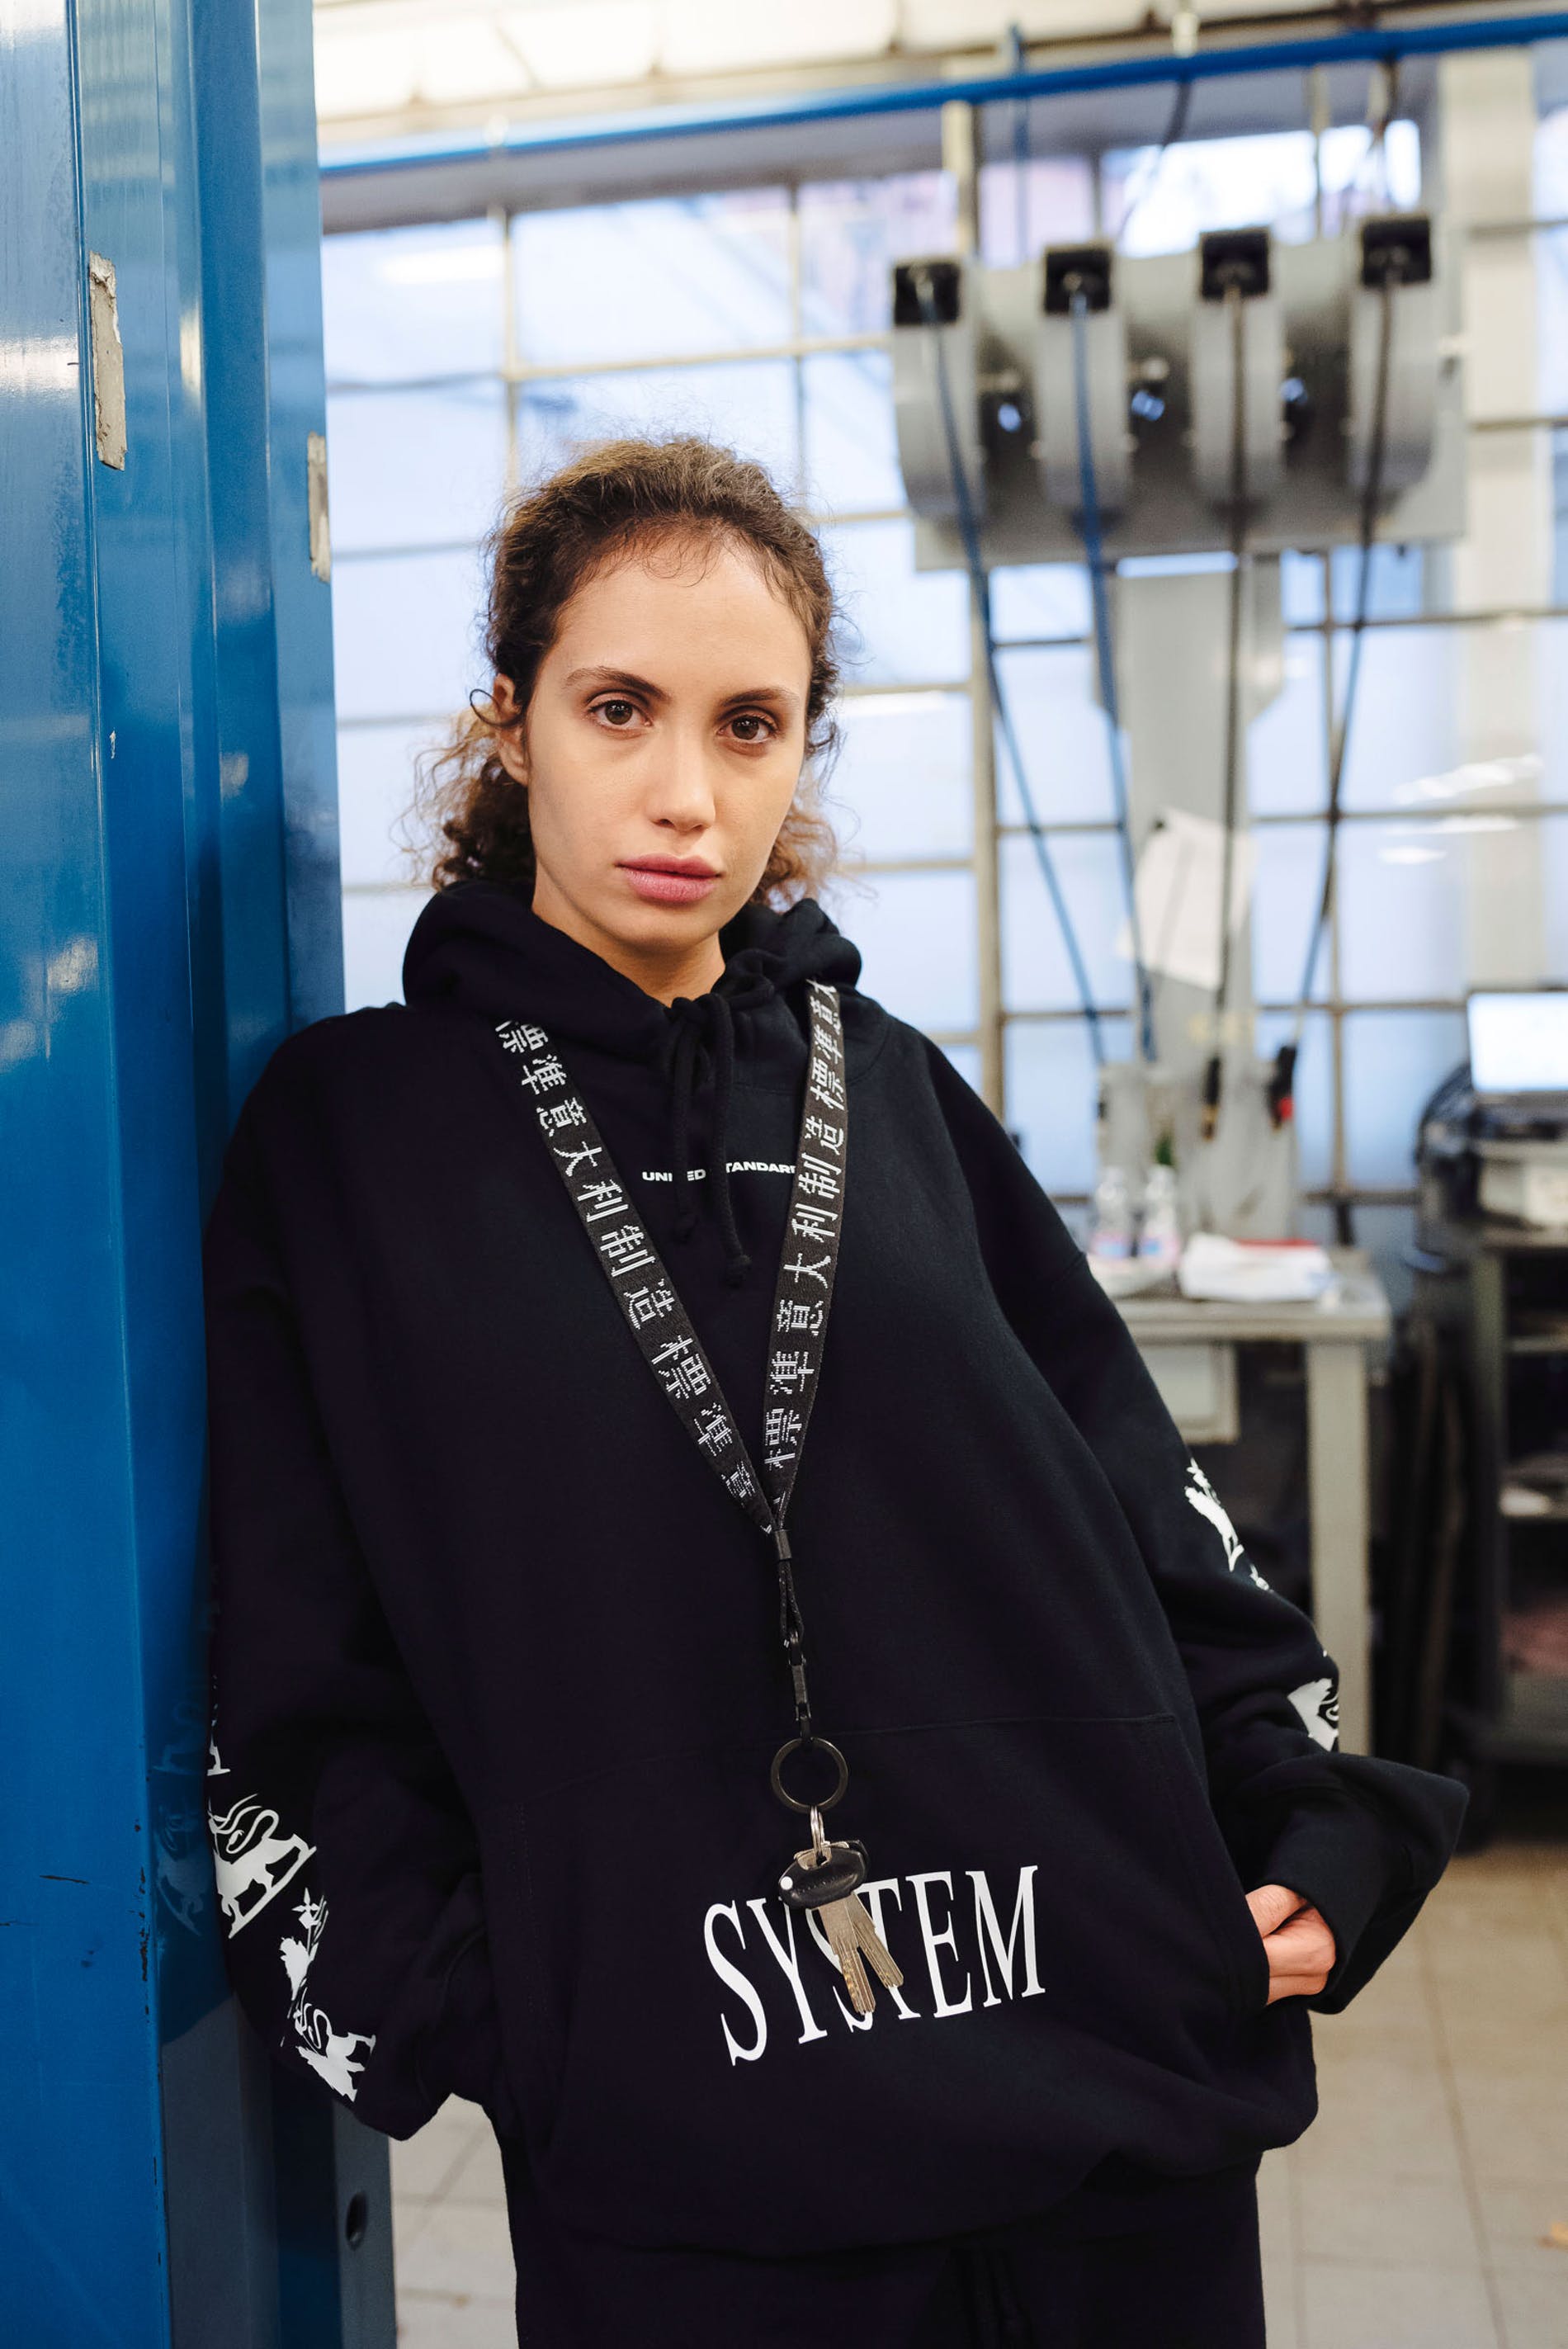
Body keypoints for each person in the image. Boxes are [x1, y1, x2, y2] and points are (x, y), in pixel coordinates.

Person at [203, 436, 1466, 2348]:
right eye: (617, 709)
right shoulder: (352, 1133)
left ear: (802, 748)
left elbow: (1135, 1495)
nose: (684, 793)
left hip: (1102, 2107)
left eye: (750, 724)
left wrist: (1305, 1815)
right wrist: (498, 2008)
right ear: (508, 721)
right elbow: (296, 1647)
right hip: (700, 2178)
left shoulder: (885, 1085)